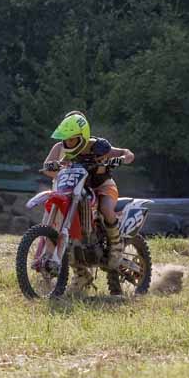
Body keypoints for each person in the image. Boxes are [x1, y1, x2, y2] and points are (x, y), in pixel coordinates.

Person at [41, 111, 135, 293]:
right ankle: (81, 273)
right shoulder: (61, 147)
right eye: (66, 139)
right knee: (72, 232)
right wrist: (55, 167)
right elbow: (47, 167)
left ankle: (116, 245)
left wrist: (122, 158)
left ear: (82, 137)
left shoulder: (97, 146)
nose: (67, 143)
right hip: (75, 191)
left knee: (107, 208)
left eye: (71, 139)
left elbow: (125, 153)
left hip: (102, 187)